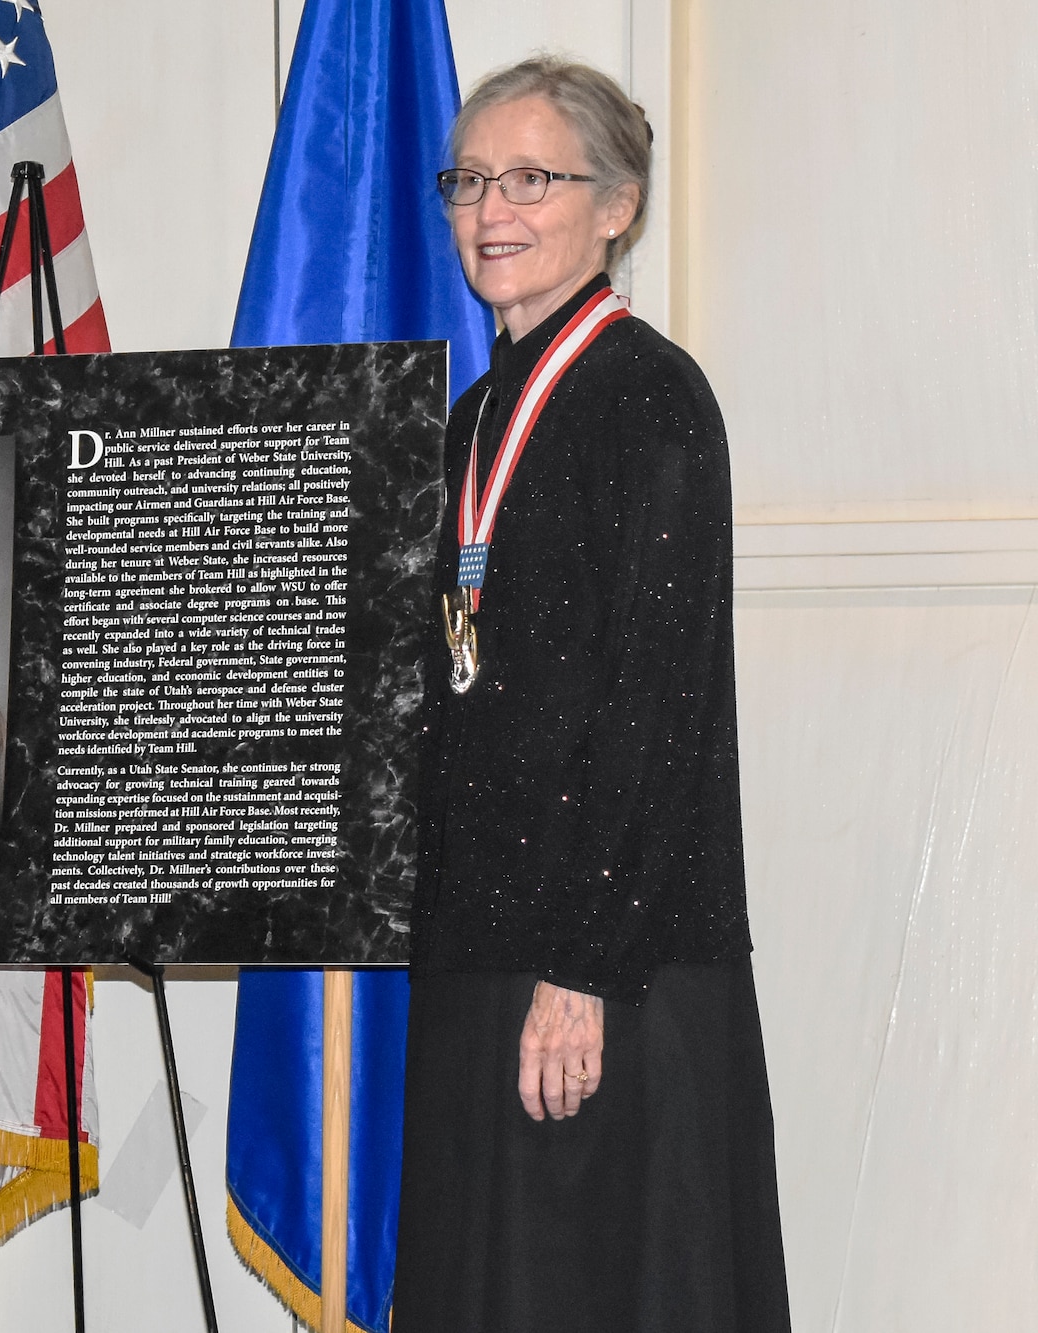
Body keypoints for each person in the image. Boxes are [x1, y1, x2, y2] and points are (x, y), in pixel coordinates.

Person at [395, 58, 792, 1331]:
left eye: (529, 179)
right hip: (477, 954)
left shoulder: (649, 399)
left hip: (608, 972)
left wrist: (578, 971)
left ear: (613, 206)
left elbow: (655, 710)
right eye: (467, 181)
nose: (488, 211)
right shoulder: (464, 419)